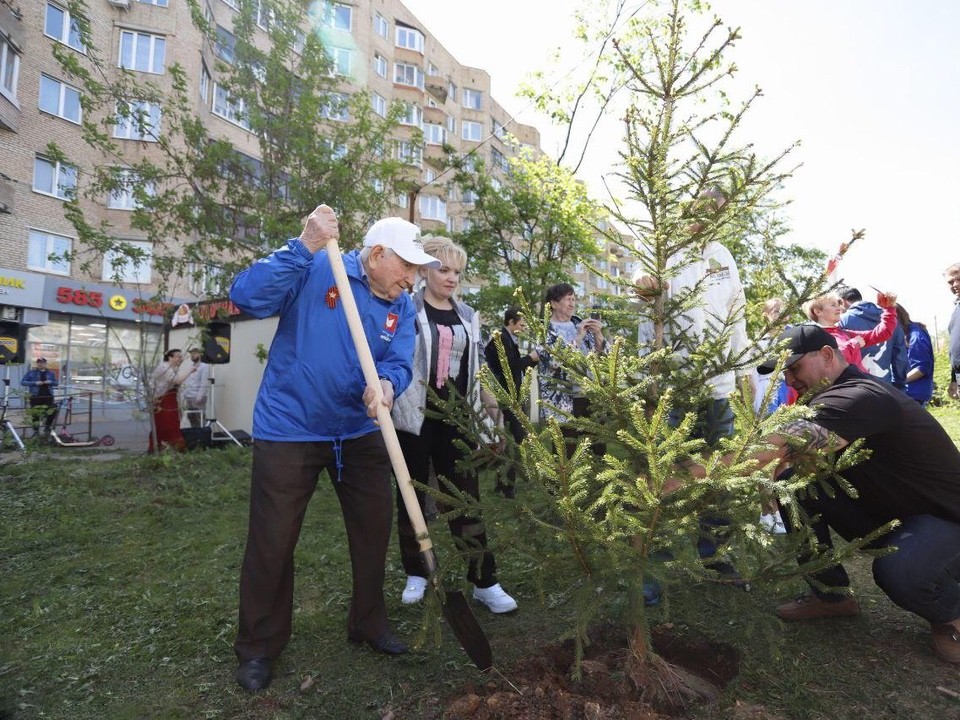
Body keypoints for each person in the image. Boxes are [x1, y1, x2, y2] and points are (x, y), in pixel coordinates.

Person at [228, 206, 440, 692]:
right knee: (272, 541)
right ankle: (258, 647)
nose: (412, 278)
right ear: (378, 253)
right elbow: (245, 296)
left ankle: (368, 622)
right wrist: (303, 244)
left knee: (373, 531)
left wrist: (387, 384)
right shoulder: (318, 265)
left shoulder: (401, 304)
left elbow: (399, 359)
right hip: (291, 428)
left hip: (361, 431)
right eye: (406, 267)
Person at [740, 325, 960, 665]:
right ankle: (832, 597)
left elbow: (784, 444)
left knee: (899, 571)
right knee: (793, 487)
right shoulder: (834, 397)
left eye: (794, 367)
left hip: (948, 521)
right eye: (784, 372)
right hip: (902, 515)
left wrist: (677, 476)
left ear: (827, 355)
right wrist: (773, 475)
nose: (789, 380)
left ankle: (952, 612)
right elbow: (794, 457)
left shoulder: (860, 396)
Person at [391, 236, 518, 614]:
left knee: (466, 497)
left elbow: (476, 369)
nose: (451, 279)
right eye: (443, 269)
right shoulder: (405, 308)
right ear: (425, 269)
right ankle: (417, 571)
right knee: (411, 494)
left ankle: (484, 580)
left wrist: (490, 415)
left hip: (457, 418)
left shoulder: (467, 315)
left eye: (457, 273)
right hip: (413, 416)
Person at [484, 306, 540, 497]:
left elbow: (516, 368)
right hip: (505, 397)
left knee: (510, 439)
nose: (524, 327)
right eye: (521, 323)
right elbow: (509, 368)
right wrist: (530, 358)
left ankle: (504, 482)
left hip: (512, 396)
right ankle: (509, 486)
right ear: (511, 322)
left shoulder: (509, 340)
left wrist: (533, 360)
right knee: (516, 440)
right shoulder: (499, 341)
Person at [538, 283, 605, 427]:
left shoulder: (579, 323)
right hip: (560, 399)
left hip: (589, 394)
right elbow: (553, 362)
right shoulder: (545, 330)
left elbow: (602, 356)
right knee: (566, 446)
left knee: (597, 445)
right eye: (568, 299)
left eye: (574, 299)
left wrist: (598, 334)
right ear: (554, 304)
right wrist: (578, 337)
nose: (572, 303)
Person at [802, 290, 897, 373]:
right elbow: (834, 358)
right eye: (833, 305)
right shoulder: (815, 337)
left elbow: (881, 334)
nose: (839, 308)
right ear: (818, 312)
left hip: (860, 383)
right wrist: (854, 343)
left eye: (838, 304)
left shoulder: (844, 333)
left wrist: (888, 309)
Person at [838, 287, 908, 389]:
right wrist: (899, 387)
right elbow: (900, 358)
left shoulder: (842, 321)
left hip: (856, 389)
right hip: (886, 388)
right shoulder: (891, 319)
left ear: (842, 302)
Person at [148, 349, 194, 453]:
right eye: (178, 356)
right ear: (170, 357)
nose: (180, 359)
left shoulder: (172, 368)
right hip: (163, 399)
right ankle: (162, 447)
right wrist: (190, 371)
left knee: (173, 423)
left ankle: (171, 449)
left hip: (170, 399)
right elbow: (176, 380)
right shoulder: (164, 367)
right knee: (166, 424)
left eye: (181, 356)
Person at [897, 305, 934, 406]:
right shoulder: (905, 334)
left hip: (913, 395)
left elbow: (922, 368)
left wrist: (898, 382)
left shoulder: (915, 336)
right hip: (909, 393)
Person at [20, 358, 58, 436]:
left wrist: (50, 382)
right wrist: (35, 383)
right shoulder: (31, 373)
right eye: (39, 363)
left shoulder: (51, 373)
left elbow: (56, 383)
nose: (40, 364)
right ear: (37, 364)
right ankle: (36, 431)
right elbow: (23, 382)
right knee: (35, 414)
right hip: (35, 396)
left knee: (52, 412)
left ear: (45, 364)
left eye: (42, 363)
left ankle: (47, 427)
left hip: (48, 396)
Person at [179, 347, 210, 428]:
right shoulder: (191, 366)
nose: (192, 355)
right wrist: (183, 395)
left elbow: (203, 382)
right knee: (191, 418)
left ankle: (202, 435)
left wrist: (199, 397)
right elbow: (187, 381)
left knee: (199, 418)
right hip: (189, 396)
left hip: (197, 397)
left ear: (200, 354)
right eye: (191, 353)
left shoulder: (204, 366)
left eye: (195, 353)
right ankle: (195, 437)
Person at [946, 262, 960, 400]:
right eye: (951, 282)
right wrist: (953, 379)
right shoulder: (956, 310)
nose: (955, 285)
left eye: (959, 279)